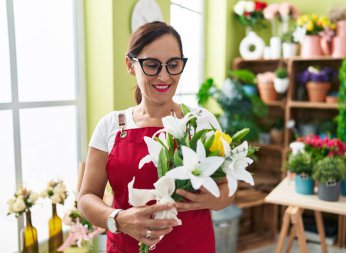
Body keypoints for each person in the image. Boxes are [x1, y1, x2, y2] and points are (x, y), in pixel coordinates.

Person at [78, 21, 234, 253]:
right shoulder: (110, 126)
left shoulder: (202, 121)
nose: (164, 76)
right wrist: (118, 219)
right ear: (130, 65)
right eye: (152, 65)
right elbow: (86, 198)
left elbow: (227, 190)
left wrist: (210, 200)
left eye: (173, 64)